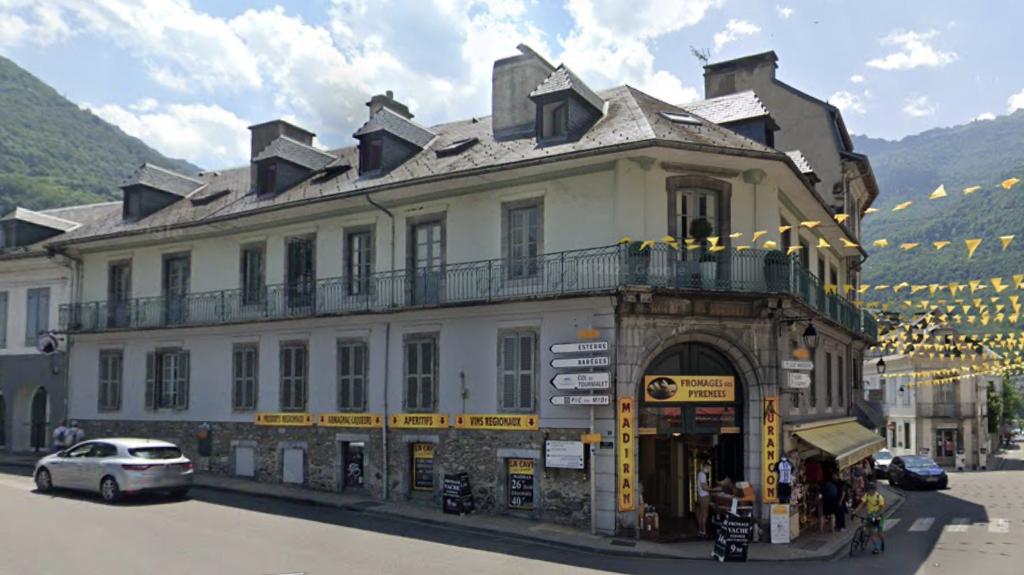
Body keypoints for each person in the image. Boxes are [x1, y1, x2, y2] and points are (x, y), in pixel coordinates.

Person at [864, 482, 886, 555]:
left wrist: (876, 515)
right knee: (872, 532)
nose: (868, 491)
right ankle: (876, 548)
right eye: (868, 489)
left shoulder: (879, 497)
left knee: (879, 533)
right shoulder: (867, 495)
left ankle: (882, 541)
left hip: (879, 517)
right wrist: (854, 511)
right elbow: (862, 504)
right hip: (870, 516)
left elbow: (882, 508)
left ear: (874, 490)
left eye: (870, 489)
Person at [696, 461, 712, 537]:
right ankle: (704, 532)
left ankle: (700, 531)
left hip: (699, 496)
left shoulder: (699, 474)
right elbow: (704, 487)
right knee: (704, 515)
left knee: (700, 515)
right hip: (704, 497)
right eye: (708, 467)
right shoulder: (703, 475)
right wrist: (712, 489)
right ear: (705, 466)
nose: (708, 469)